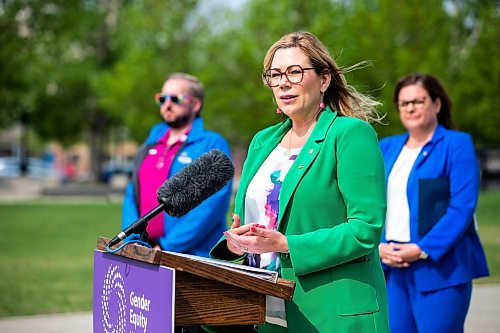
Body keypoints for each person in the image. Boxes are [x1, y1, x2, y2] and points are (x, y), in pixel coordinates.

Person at [209, 31, 389, 333]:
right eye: (275, 74)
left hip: (331, 314)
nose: (283, 82)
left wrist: (287, 244)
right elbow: (259, 218)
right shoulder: (262, 141)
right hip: (267, 311)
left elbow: (365, 230)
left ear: (324, 79)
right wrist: (238, 242)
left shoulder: (350, 135)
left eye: (295, 72)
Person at [378, 73, 489, 333]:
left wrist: (421, 249)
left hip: (441, 269)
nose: (411, 108)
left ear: (437, 104)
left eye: (419, 100)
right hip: (391, 268)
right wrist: (377, 247)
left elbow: (462, 208)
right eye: (404, 103)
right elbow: (372, 204)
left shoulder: (456, 144)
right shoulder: (387, 147)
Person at [121, 73, 232, 258]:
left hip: (192, 255)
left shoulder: (211, 144)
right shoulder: (152, 141)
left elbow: (212, 206)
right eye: (162, 98)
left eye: (175, 98)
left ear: (196, 105)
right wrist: (132, 240)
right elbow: (133, 193)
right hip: (144, 250)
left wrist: (167, 246)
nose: (167, 104)